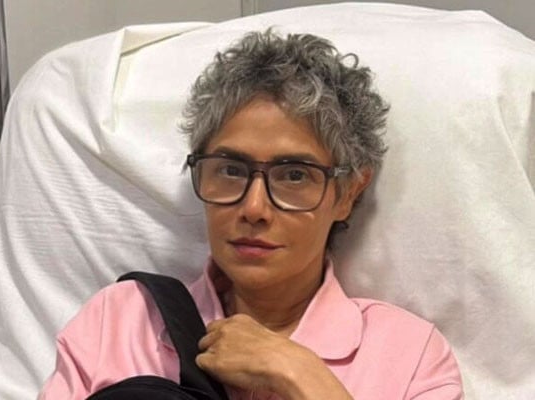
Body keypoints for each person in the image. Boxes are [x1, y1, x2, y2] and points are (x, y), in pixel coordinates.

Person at [39, 30, 463, 399]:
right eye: (230, 170)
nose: (254, 208)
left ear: (347, 193)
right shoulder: (119, 322)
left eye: (294, 175)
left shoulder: (410, 356)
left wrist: (298, 373)